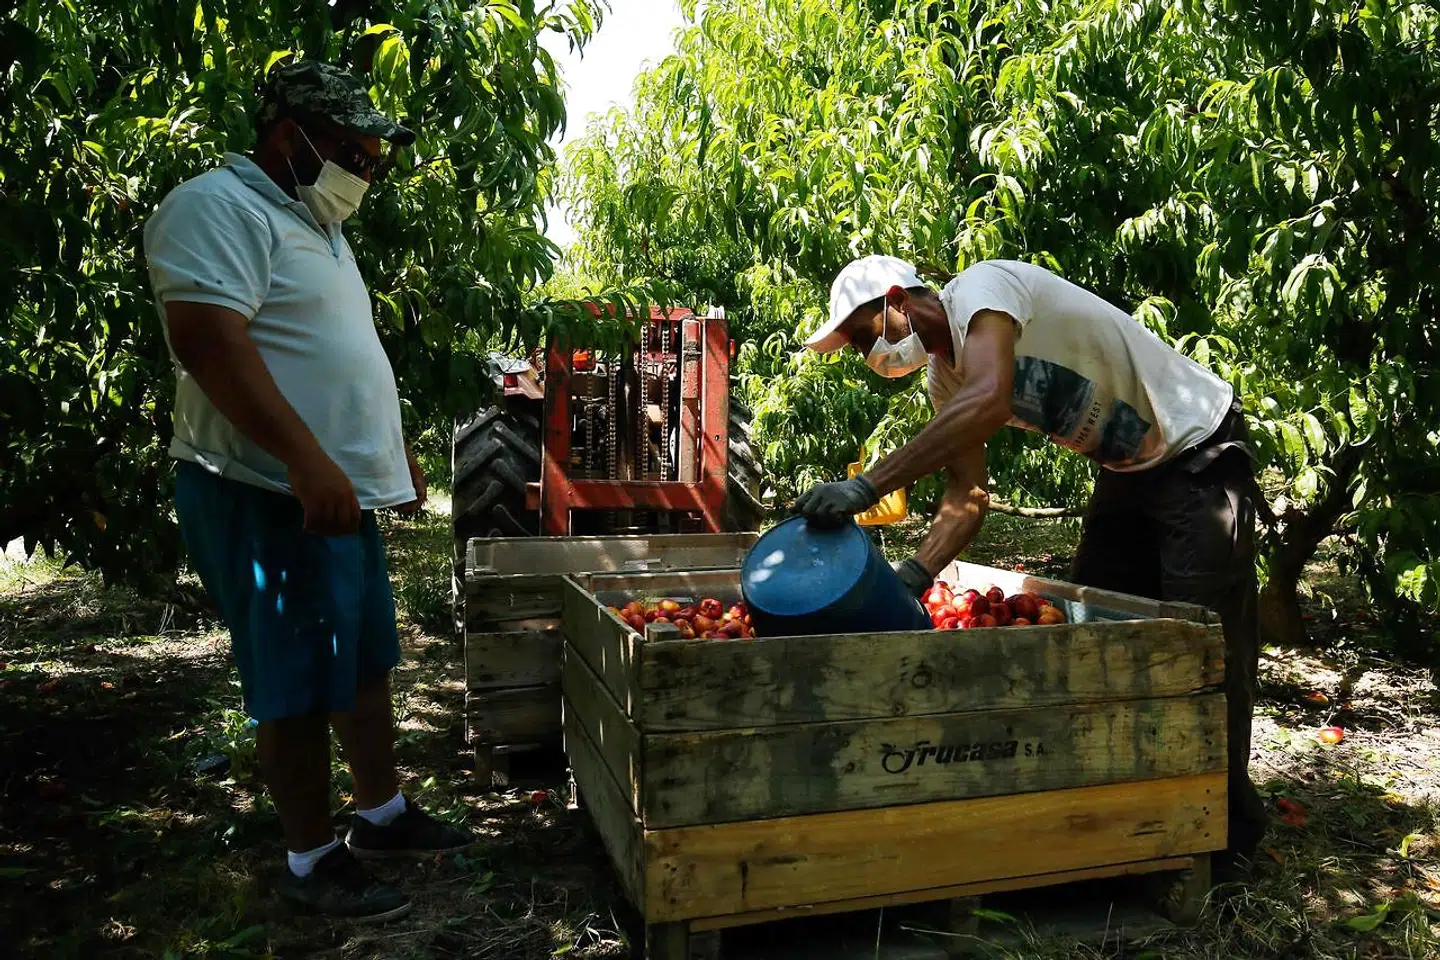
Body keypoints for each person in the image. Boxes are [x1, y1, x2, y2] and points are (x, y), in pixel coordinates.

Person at [794, 255, 1267, 867]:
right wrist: (912, 577)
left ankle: (1225, 835)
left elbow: (992, 398)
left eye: (864, 335)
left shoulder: (982, 293)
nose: (869, 355)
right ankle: (1134, 817)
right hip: (1127, 469)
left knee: (1205, 645)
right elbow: (967, 496)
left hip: (1196, 445)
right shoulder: (945, 380)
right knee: (1096, 639)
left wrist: (867, 486)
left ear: (896, 301)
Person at [143, 61, 472, 921]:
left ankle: (381, 816)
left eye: (373, 160)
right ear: (290, 140)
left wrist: (384, 461)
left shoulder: (318, 225)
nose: (368, 175)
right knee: (294, 681)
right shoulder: (218, 206)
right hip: (263, 489)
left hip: (333, 494)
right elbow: (210, 344)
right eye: (353, 156)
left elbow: (335, 351)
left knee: (364, 664)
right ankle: (309, 858)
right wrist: (303, 460)